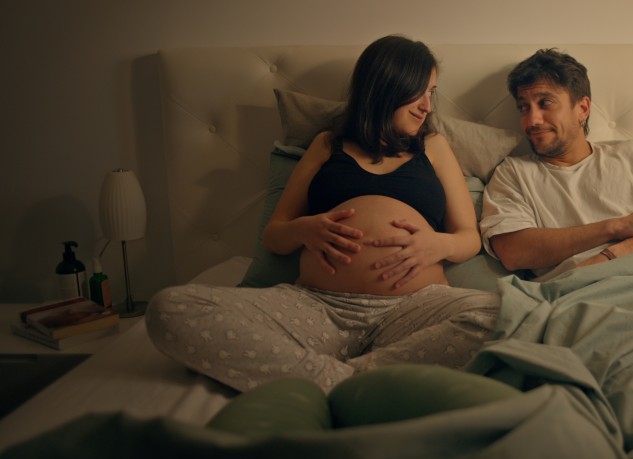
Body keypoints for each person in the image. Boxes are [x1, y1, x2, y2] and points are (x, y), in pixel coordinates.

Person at [147, 35, 500, 393]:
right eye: (418, 93)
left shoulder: (433, 146)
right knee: (170, 308)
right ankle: (350, 383)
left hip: (415, 308)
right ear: (386, 86)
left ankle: (342, 378)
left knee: (508, 314)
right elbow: (275, 235)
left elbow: (468, 238)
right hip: (319, 307)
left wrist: (436, 245)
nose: (427, 107)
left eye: (431, 93)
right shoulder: (327, 144)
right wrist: (305, 229)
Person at [479, 49, 633, 281]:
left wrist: (608, 257)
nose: (532, 120)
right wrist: (616, 227)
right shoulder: (512, 173)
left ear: (582, 109)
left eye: (545, 103)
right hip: (580, 292)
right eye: (524, 107)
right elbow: (513, 252)